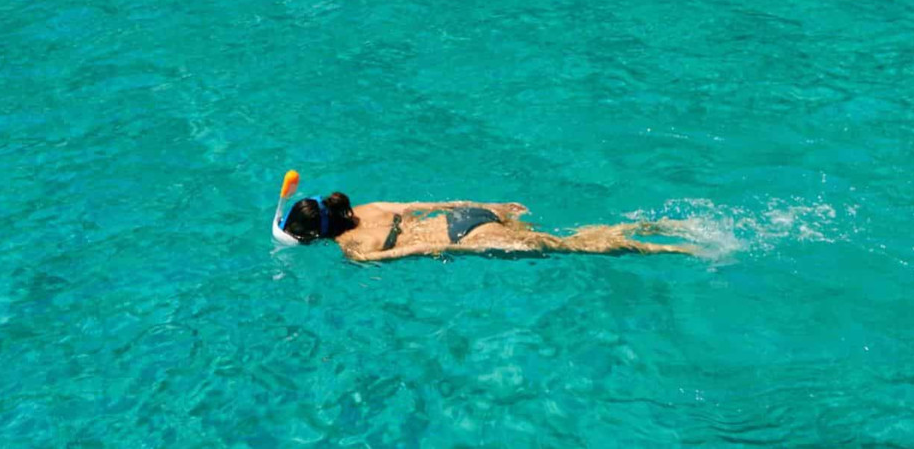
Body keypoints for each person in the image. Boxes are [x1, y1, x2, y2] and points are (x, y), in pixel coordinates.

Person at [277, 191, 699, 261]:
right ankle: (658, 226)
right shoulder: (369, 207)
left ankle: (673, 249)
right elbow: (428, 204)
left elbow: (418, 250)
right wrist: (487, 205)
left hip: (467, 236)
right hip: (464, 217)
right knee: (565, 234)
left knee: (571, 246)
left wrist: (467, 249)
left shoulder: (353, 250)